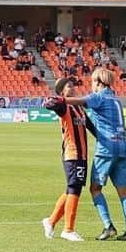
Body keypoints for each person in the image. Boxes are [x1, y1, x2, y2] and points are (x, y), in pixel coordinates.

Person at [64, 67, 126, 240]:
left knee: (95, 188)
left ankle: (108, 226)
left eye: (92, 81)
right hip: (123, 145)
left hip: (107, 148)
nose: (91, 85)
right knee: (123, 192)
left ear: (98, 81)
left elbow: (77, 101)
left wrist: (59, 99)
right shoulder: (116, 99)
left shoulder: (99, 97)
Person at [41, 79, 97, 242]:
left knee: (71, 189)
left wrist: (103, 138)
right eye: (69, 86)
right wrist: (56, 100)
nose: (73, 88)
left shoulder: (78, 106)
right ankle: (68, 229)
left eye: (73, 85)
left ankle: (50, 221)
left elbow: (90, 126)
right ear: (62, 91)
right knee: (75, 188)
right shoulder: (64, 106)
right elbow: (50, 105)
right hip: (72, 153)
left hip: (82, 154)